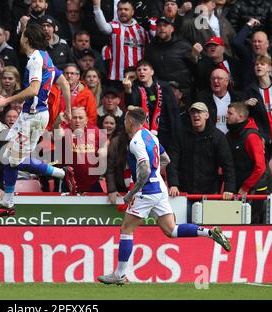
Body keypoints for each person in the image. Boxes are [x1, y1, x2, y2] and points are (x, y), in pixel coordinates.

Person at [97, 106, 231, 285]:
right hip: (160, 188)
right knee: (171, 230)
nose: (124, 124)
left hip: (146, 192)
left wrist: (131, 193)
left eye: (125, 121)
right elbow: (166, 158)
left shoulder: (136, 141)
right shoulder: (150, 136)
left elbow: (144, 171)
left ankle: (119, 274)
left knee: (126, 230)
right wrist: (155, 173)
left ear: (129, 122)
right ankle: (209, 232)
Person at [0, 23, 75, 219]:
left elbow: (34, 89)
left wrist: (5, 100)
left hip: (33, 117)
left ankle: (61, 173)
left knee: (13, 160)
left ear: (26, 39)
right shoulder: (46, 57)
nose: (20, 37)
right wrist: (67, 109)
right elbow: (65, 84)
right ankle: (8, 205)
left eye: (22, 35)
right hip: (33, 115)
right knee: (10, 159)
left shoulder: (35, 59)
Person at [167, 102, 236, 198]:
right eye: (193, 113)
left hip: (210, 193)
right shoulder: (180, 135)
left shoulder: (218, 137)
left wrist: (229, 189)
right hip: (184, 192)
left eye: (199, 112)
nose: (195, 115)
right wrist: (173, 184)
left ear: (206, 115)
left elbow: (227, 165)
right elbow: (172, 162)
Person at [226, 101, 270, 224]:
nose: (227, 116)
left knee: (251, 222)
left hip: (254, 189)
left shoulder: (251, 136)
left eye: (230, 113)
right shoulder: (230, 135)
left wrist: (246, 187)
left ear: (240, 116)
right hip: (239, 188)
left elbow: (260, 167)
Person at [123, 59, 181, 149]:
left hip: (165, 133)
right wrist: (128, 90)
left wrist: (176, 131)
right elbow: (130, 105)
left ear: (152, 72)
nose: (141, 72)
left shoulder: (164, 87)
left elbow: (173, 109)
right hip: (143, 134)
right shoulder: (135, 88)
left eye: (145, 69)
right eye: (139, 70)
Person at [92, 0, 149, 85]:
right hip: (117, 78)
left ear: (132, 12)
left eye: (126, 9)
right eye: (120, 9)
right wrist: (97, 7)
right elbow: (103, 28)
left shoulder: (142, 31)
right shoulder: (114, 26)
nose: (122, 12)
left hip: (138, 77)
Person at [196, 68, 243, 134]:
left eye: (219, 78)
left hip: (234, 138)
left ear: (227, 82)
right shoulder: (202, 98)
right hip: (211, 139)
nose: (215, 81)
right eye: (213, 78)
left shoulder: (238, 98)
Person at [244, 55, 272, 160]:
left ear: (269, 68)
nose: (258, 66)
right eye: (256, 64)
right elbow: (247, 118)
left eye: (262, 64)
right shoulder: (249, 91)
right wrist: (245, 105)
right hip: (263, 138)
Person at [232, 19, 271, 87]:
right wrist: (249, 25)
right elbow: (236, 42)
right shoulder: (247, 55)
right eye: (254, 41)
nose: (256, 44)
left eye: (259, 41)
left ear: (267, 43)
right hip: (250, 94)